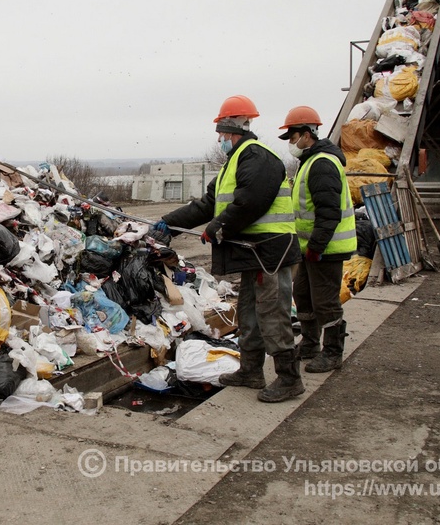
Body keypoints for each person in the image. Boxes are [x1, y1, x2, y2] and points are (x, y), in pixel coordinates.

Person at [153, 95, 303, 402]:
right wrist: (169, 222)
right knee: (248, 313)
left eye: (222, 134)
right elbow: (210, 204)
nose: (220, 139)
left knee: (272, 314)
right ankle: (250, 370)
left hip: (269, 253)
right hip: (254, 254)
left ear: (231, 127)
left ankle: (289, 378)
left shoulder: (256, 156)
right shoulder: (235, 161)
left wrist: (218, 228)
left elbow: (250, 202)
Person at [278, 106, 357, 372]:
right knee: (303, 294)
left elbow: (328, 212)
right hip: (311, 248)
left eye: (292, 137)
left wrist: (316, 246)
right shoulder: (309, 162)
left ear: (306, 134)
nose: (291, 143)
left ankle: (333, 352)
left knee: (325, 301)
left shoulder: (322, 164)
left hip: (326, 249)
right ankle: (311, 344)